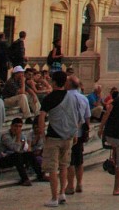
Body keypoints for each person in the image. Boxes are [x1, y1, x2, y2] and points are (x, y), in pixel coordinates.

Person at [37, 71, 82, 208]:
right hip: (68, 136)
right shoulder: (73, 98)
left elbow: (42, 117)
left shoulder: (49, 98)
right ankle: (62, 193)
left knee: (52, 168)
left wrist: (42, 134)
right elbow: (77, 117)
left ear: (54, 82)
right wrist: (74, 133)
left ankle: (54, 197)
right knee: (64, 166)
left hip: (54, 136)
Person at [0, 117, 44, 186]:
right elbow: (15, 149)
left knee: (29, 154)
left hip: (15, 157)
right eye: (16, 126)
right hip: (2, 159)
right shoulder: (5, 136)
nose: (17, 128)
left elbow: (24, 147)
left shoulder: (21, 135)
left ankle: (40, 175)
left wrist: (22, 142)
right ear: (11, 126)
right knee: (16, 155)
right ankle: (25, 179)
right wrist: (18, 137)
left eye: (20, 126)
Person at [65, 75, 91, 195]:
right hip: (80, 132)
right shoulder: (84, 98)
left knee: (69, 161)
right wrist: (87, 130)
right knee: (79, 160)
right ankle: (79, 183)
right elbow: (87, 118)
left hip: (68, 132)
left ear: (69, 84)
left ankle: (70, 185)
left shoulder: (65, 97)